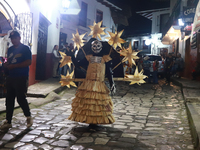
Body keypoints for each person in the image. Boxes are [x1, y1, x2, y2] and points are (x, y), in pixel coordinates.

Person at [67, 38, 116, 130]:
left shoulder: (106, 58)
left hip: (99, 84)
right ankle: (91, 122)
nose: (96, 47)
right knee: (89, 104)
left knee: (98, 104)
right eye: (94, 46)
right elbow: (78, 65)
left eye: (98, 46)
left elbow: (109, 72)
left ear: (101, 47)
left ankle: (96, 122)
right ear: (91, 47)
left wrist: (112, 82)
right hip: (88, 84)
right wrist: (72, 56)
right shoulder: (88, 57)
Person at [0, 30, 33, 131]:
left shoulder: (25, 49)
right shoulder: (10, 50)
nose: (13, 40)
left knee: (21, 98)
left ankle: (28, 117)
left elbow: (29, 62)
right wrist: (6, 65)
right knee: (9, 99)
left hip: (21, 77)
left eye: (15, 38)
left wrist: (14, 66)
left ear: (19, 38)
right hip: (11, 77)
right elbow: (9, 61)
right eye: (12, 38)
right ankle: (8, 121)